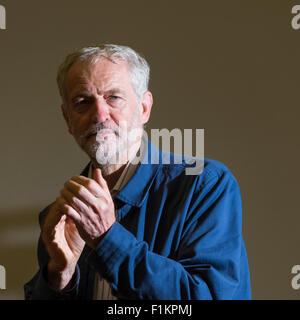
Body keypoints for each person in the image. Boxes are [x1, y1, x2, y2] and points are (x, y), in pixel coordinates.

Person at [24, 44, 251, 300]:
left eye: (114, 97)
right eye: (82, 102)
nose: (99, 114)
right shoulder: (59, 218)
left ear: (144, 108)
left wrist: (107, 239)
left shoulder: (204, 185)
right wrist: (58, 277)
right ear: (68, 119)